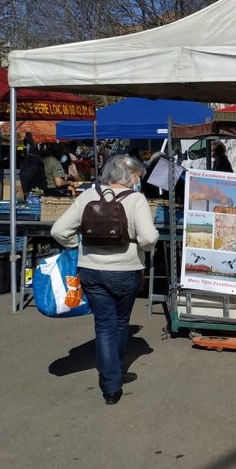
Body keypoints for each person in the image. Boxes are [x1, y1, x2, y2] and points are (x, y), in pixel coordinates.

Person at [50, 155, 159, 405]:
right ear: (128, 175)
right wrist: (142, 247)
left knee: (103, 325)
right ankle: (116, 373)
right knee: (121, 322)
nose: (138, 181)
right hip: (125, 270)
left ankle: (110, 386)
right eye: (137, 176)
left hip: (90, 270)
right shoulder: (136, 200)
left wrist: (76, 246)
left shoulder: (88, 195)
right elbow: (149, 237)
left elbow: (58, 230)